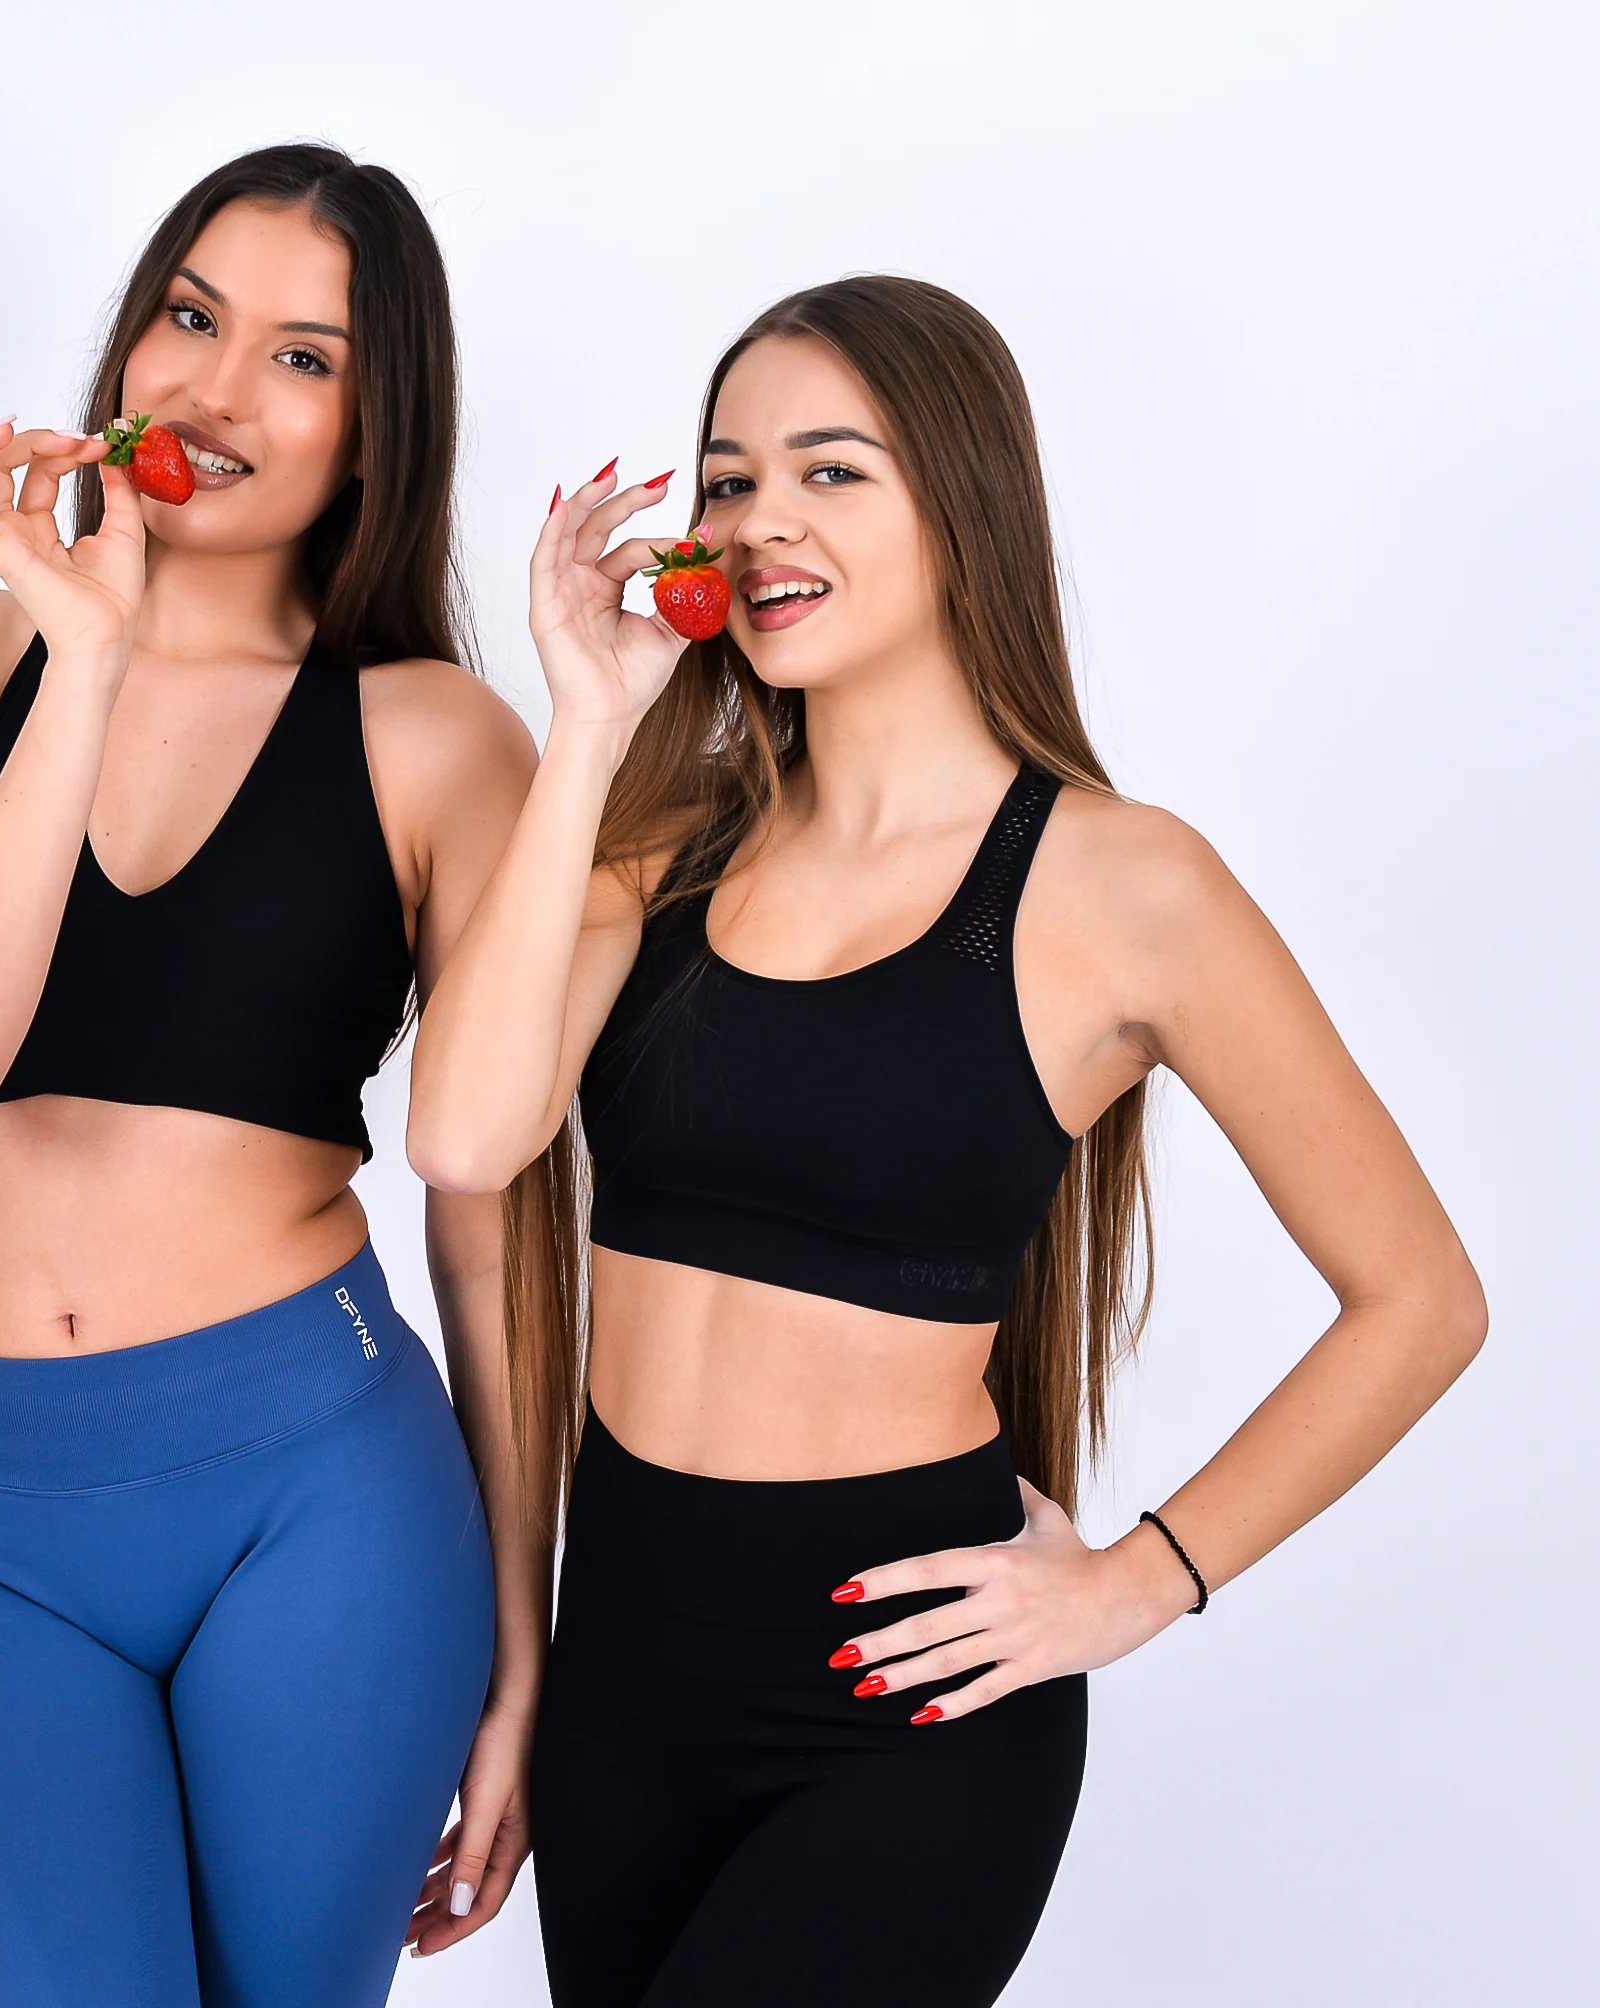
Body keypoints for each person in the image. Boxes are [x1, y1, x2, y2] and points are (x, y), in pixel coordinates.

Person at [406, 274, 1487, 2007]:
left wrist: (1142, 1582)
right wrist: (592, 723)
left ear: (964, 503)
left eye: (831, 471)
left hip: (906, 1709)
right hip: (622, 1682)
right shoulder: (655, 848)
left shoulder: (1127, 885)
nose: (762, 519)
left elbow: (1421, 1298)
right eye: (730, 479)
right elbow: (464, 1139)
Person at [0, 144, 545, 2008]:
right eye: (190, 317)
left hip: (316, 1490)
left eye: (305, 360)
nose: (220, 392)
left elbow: (493, 1232)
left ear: (378, 435)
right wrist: (84, 652)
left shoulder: (439, 741)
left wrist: (523, 1648)